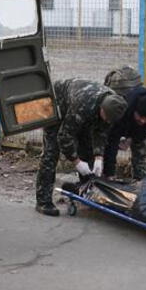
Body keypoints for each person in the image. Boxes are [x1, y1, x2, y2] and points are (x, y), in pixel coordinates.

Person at [35, 78, 128, 216]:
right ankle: (43, 201)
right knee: (51, 153)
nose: (108, 121)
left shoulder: (113, 106)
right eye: (106, 118)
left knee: (87, 147)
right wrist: (76, 162)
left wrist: (98, 157)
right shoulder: (84, 105)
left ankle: (87, 190)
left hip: (80, 109)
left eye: (110, 120)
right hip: (56, 103)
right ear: (101, 109)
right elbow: (64, 136)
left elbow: (101, 132)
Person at [102, 66, 146, 179]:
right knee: (108, 148)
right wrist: (109, 173)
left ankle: (141, 179)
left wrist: (132, 139)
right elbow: (112, 140)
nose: (143, 121)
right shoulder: (122, 110)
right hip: (121, 122)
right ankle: (106, 175)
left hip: (135, 128)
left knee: (141, 149)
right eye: (140, 118)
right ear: (134, 111)